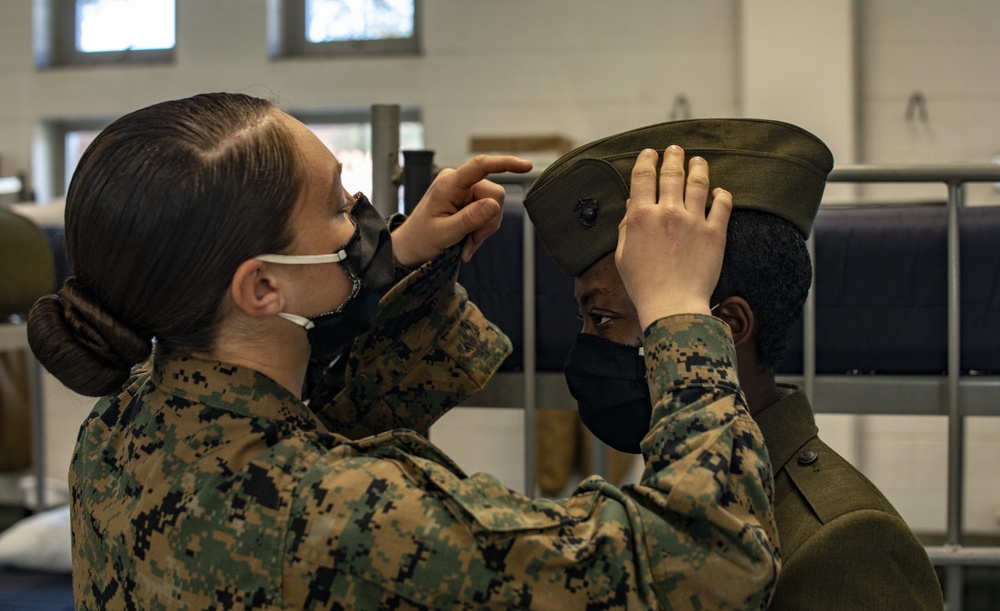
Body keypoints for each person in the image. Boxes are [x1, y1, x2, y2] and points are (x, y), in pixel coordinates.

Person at [28, 92, 778, 609]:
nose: (362, 216)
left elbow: (325, 414)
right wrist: (679, 311)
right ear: (263, 288)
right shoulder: (351, 515)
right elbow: (705, 564)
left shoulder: (122, 428)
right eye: (334, 206)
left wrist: (396, 266)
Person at [524, 118, 945, 611]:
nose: (587, 347)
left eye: (603, 318)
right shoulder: (681, 487)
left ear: (724, 326)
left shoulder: (842, 538)